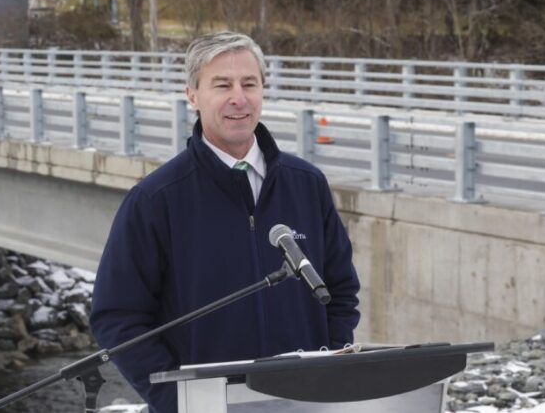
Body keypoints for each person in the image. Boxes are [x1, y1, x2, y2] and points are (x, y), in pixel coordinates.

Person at [89, 31, 361, 413]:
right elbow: (117, 317)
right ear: (193, 95)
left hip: (303, 404)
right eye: (222, 85)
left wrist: (324, 369)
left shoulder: (307, 184)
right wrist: (179, 401)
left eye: (249, 83)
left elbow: (341, 291)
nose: (239, 97)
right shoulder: (156, 200)